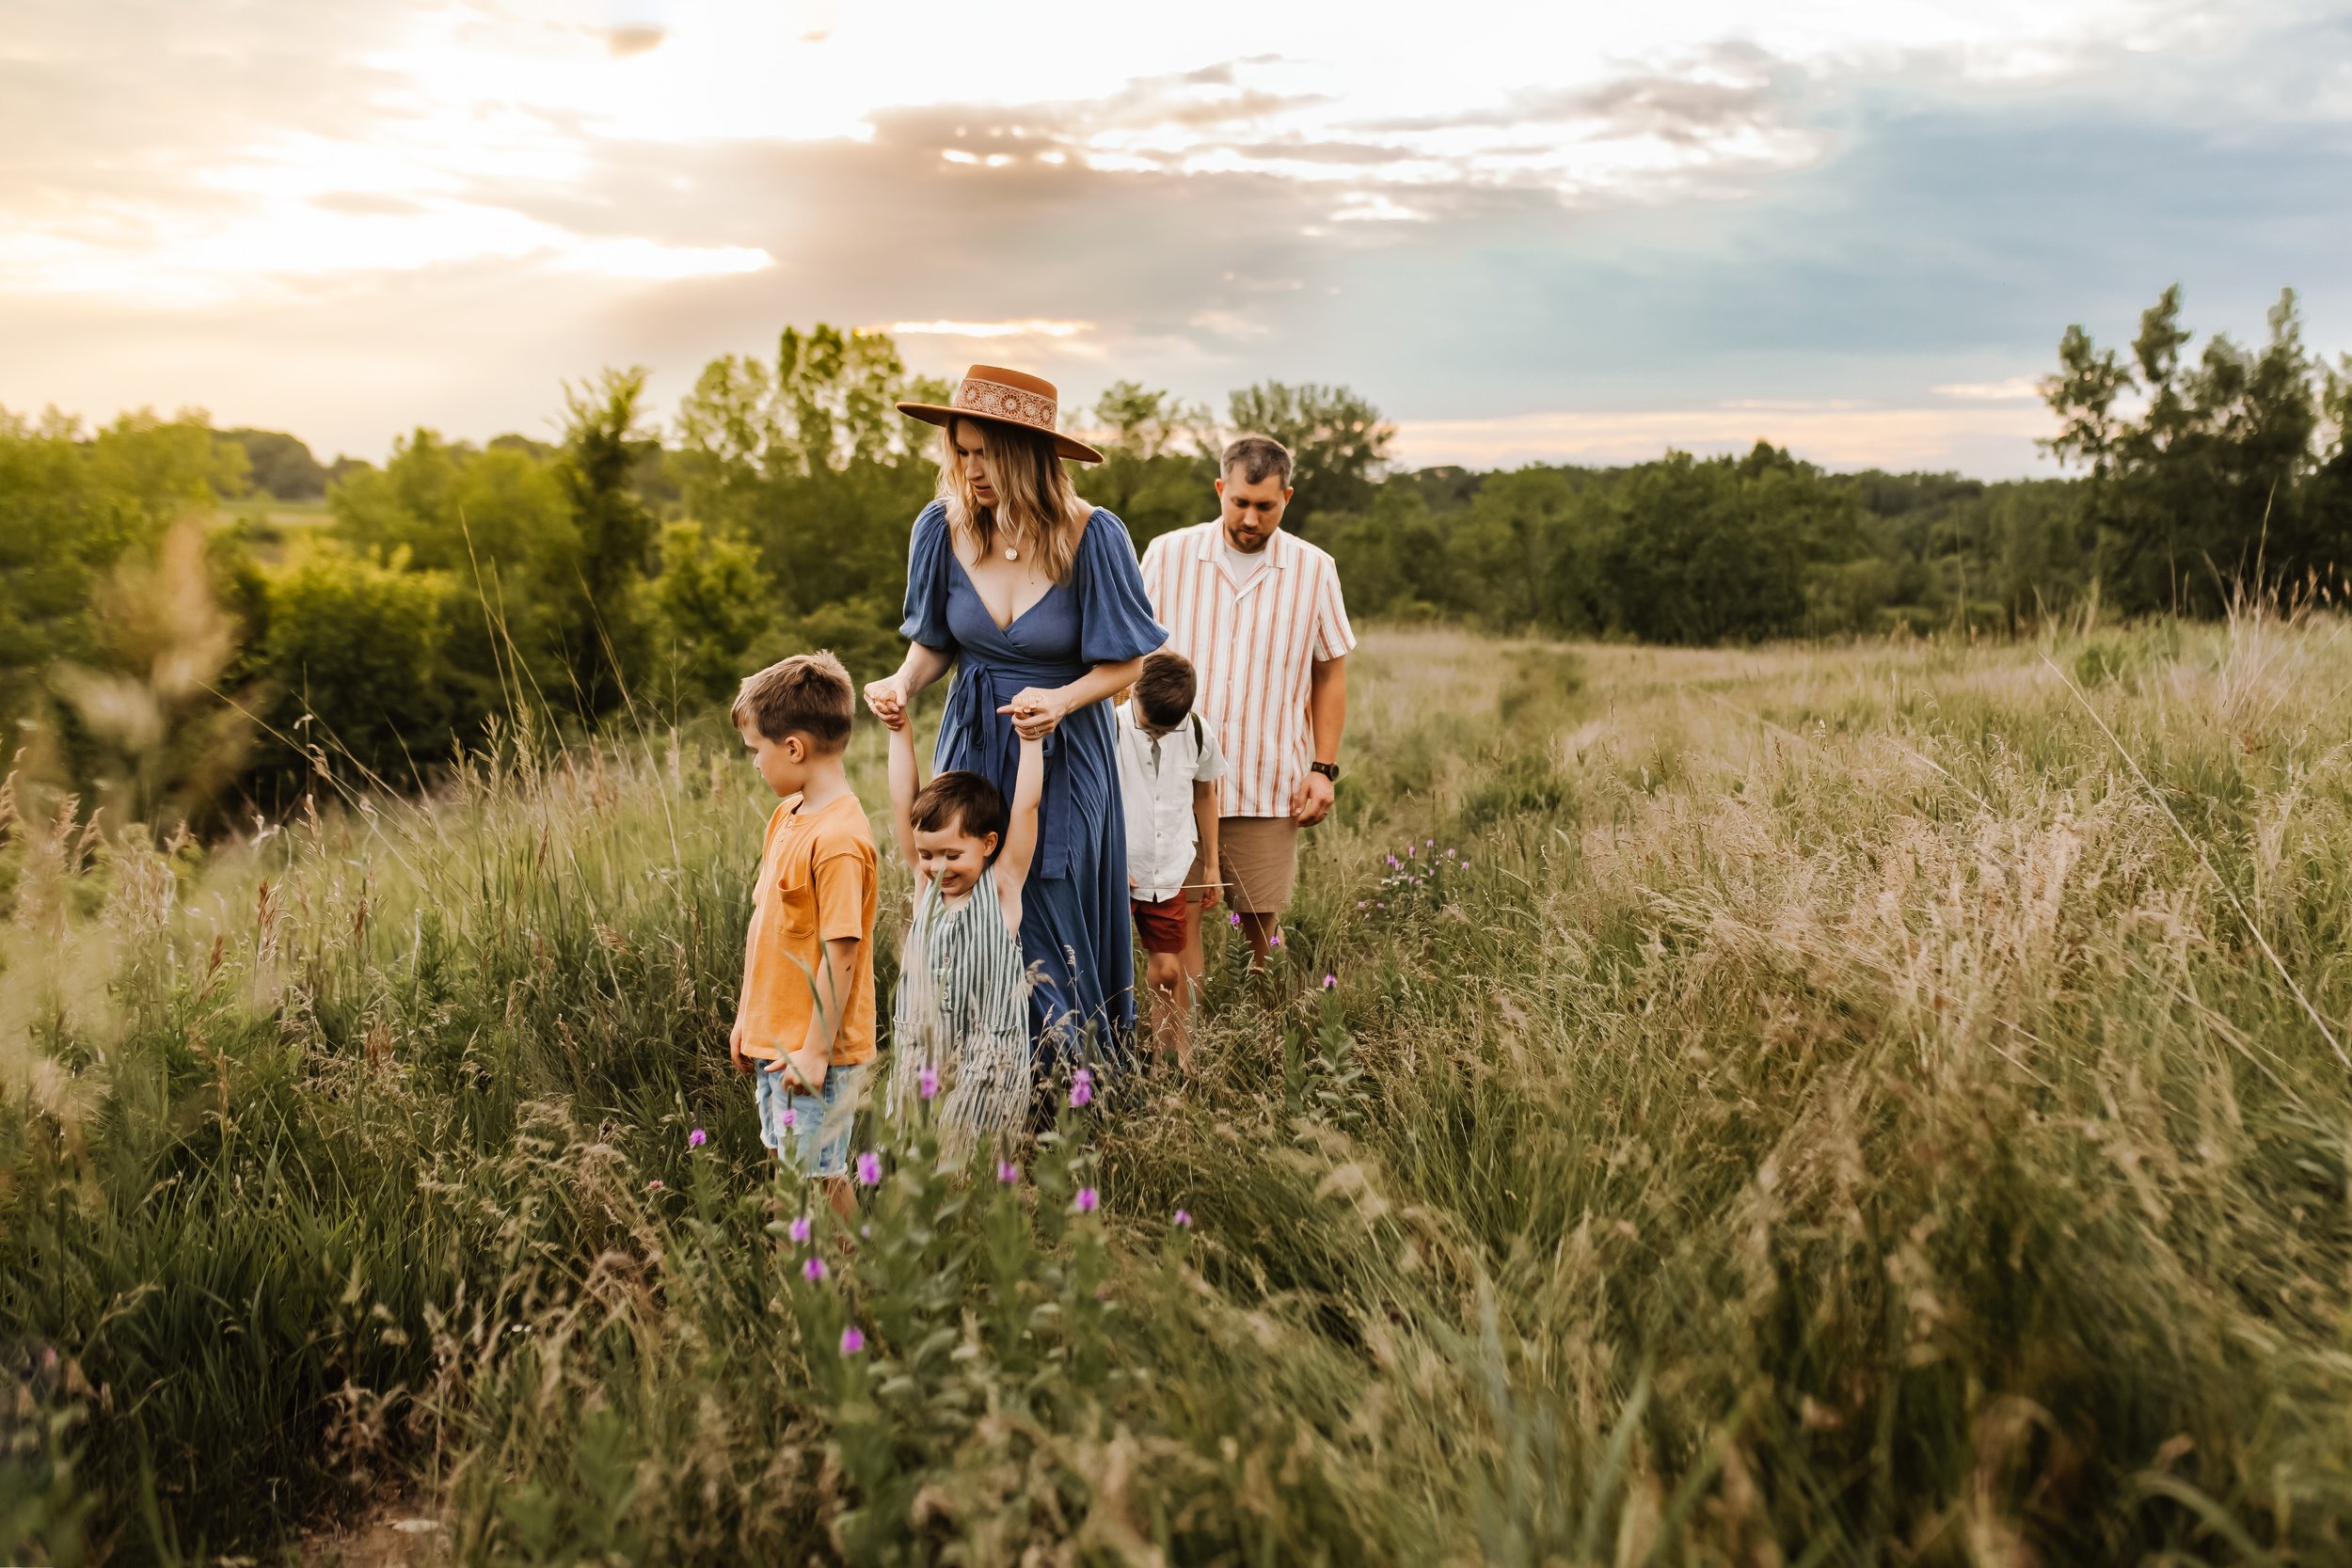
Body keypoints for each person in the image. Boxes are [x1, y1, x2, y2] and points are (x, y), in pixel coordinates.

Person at [865, 364, 1167, 1077]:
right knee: (967, 891)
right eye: (961, 451)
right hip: (972, 740)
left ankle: (1077, 1079)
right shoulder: (939, 529)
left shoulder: (1093, 536)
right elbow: (934, 641)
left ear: (1029, 455)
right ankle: (982, 1077)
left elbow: (1128, 667)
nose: (971, 470)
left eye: (987, 454)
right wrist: (903, 683)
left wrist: (1060, 701)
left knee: (1045, 895)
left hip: (1064, 744)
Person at [1138, 434, 1354, 984]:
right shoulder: (1168, 554)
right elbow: (1127, 660)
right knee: (1173, 933)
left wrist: (1323, 768)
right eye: (1239, 503)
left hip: (1268, 780)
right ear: (1220, 489)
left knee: (1261, 935)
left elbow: (1329, 672)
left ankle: (1259, 1056)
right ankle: (1181, 1064)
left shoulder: (1315, 569)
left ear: (1288, 497)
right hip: (1172, 783)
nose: (1251, 519)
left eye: (1265, 505)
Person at [729, 652, 879, 1226]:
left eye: (756, 752)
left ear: (793, 748)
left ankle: (847, 1286)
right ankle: (803, 1281)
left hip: (817, 1050)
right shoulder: (788, 815)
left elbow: (842, 952)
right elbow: (762, 921)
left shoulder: (838, 839)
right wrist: (749, 1016)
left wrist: (816, 1050)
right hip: (776, 1040)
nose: (755, 765)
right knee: (787, 1164)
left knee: (819, 1178)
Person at [878, 695, 1041, 1152]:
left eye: (953, 855)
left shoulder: (1003, 886)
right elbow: (901, 800)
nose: (938, 866)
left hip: (986, 1062)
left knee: (966, 1159)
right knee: (912, 1155)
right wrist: (899, 732)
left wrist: (1030, 741)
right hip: (921, 1057)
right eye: (929, 854)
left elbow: (1026, 808)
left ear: (989, 844)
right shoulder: (924, 886)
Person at [1115, 650, 1225, 1068]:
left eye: (1167, 729)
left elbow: (1204, 794)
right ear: (1132, 691)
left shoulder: (1196, 731)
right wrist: (1107, 862)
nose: (1158, 735)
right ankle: (1108, 1052)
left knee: (1167, 970)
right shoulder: (1111, 727)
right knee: (1106, 966)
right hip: (1119, 872)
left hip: (1171, 870)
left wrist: (1212, 865)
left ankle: (1170, 1057)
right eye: (1150, 725)